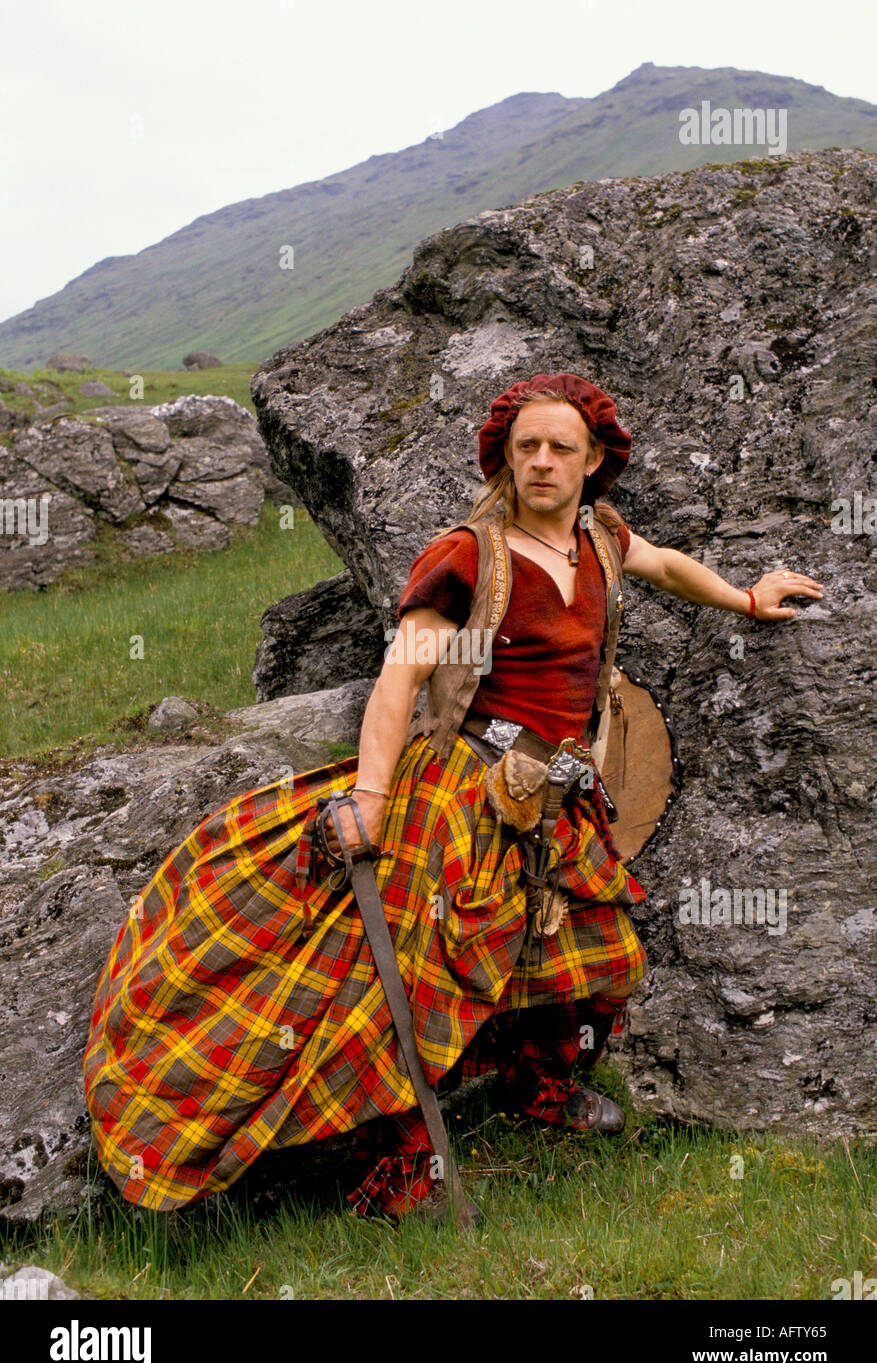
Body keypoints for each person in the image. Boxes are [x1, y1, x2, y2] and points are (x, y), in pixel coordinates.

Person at [83, 372, 823, 1223]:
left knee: (600, 961)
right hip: (462, 793)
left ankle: (536, 1088)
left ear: (592, 464)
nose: (542, 463)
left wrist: (745, 597)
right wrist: (368, 795)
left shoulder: (603, 539)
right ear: (506, 458)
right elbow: (399, 681)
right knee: (416, 981)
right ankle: (394, 1166)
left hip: (559, 796)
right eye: (526, 449)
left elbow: (663, 566)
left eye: (560, 449)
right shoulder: (471, 556)